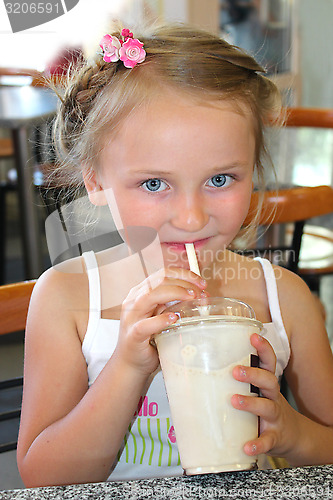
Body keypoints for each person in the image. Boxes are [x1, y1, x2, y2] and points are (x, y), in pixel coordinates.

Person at [17, 23, 333, 487]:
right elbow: (44, 480)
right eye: (154, 183)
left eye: (221, 179)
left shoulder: (284, 297)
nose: (190, 217)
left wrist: (290, 434)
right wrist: (128, 365)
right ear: (96, 182)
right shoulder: (66, 298)